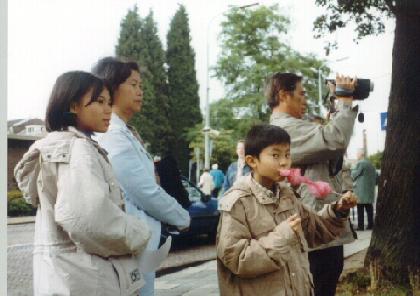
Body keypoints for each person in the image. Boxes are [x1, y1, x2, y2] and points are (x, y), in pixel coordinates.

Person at [14, 71, 151, 295]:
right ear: (73, 106)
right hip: (89, 279)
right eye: (99, 101)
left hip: (63, 277)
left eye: (109, 102)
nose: (108, 109)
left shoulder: (55, 146)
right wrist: (139, 233)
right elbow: (88, 219)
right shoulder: (77, 149)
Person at [216, 124, 358, 296]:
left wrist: (338, 210)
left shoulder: (288, 196)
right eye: (275, 155)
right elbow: (236, 259)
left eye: (287, 154)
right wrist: (282, 237)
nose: (284, 161)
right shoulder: (238, 203)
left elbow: (316, 231)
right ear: (252, 161)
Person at [92, 57, 190, 296]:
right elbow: (144, 191)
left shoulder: (124, 132)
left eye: (141, 86)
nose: (140, 92)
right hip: (129, 245)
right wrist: (181, 216)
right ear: (112, 86)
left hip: (137, 244)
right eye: (133, 85)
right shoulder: (114, 135)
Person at [267, 72, 358, 296]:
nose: (306, 100)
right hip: (316, 227)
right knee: (320, 286)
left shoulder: (292, 127)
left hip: (320, 223)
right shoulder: (285, 129)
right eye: (302, 93)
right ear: (283, 95)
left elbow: (329, 138)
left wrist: (336, 103)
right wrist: (345, 99)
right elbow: (334, 139)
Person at [351, 149, 377, 230]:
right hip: (369, 190)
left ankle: (361, 226)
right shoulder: (370, 164)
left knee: (360, 209)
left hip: (361, 190)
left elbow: (354, 174)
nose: (356, 156)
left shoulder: (360, 163)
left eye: (357, 154)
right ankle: (370, 225)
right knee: (369, 208)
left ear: (361, 154)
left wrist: (352, 170)